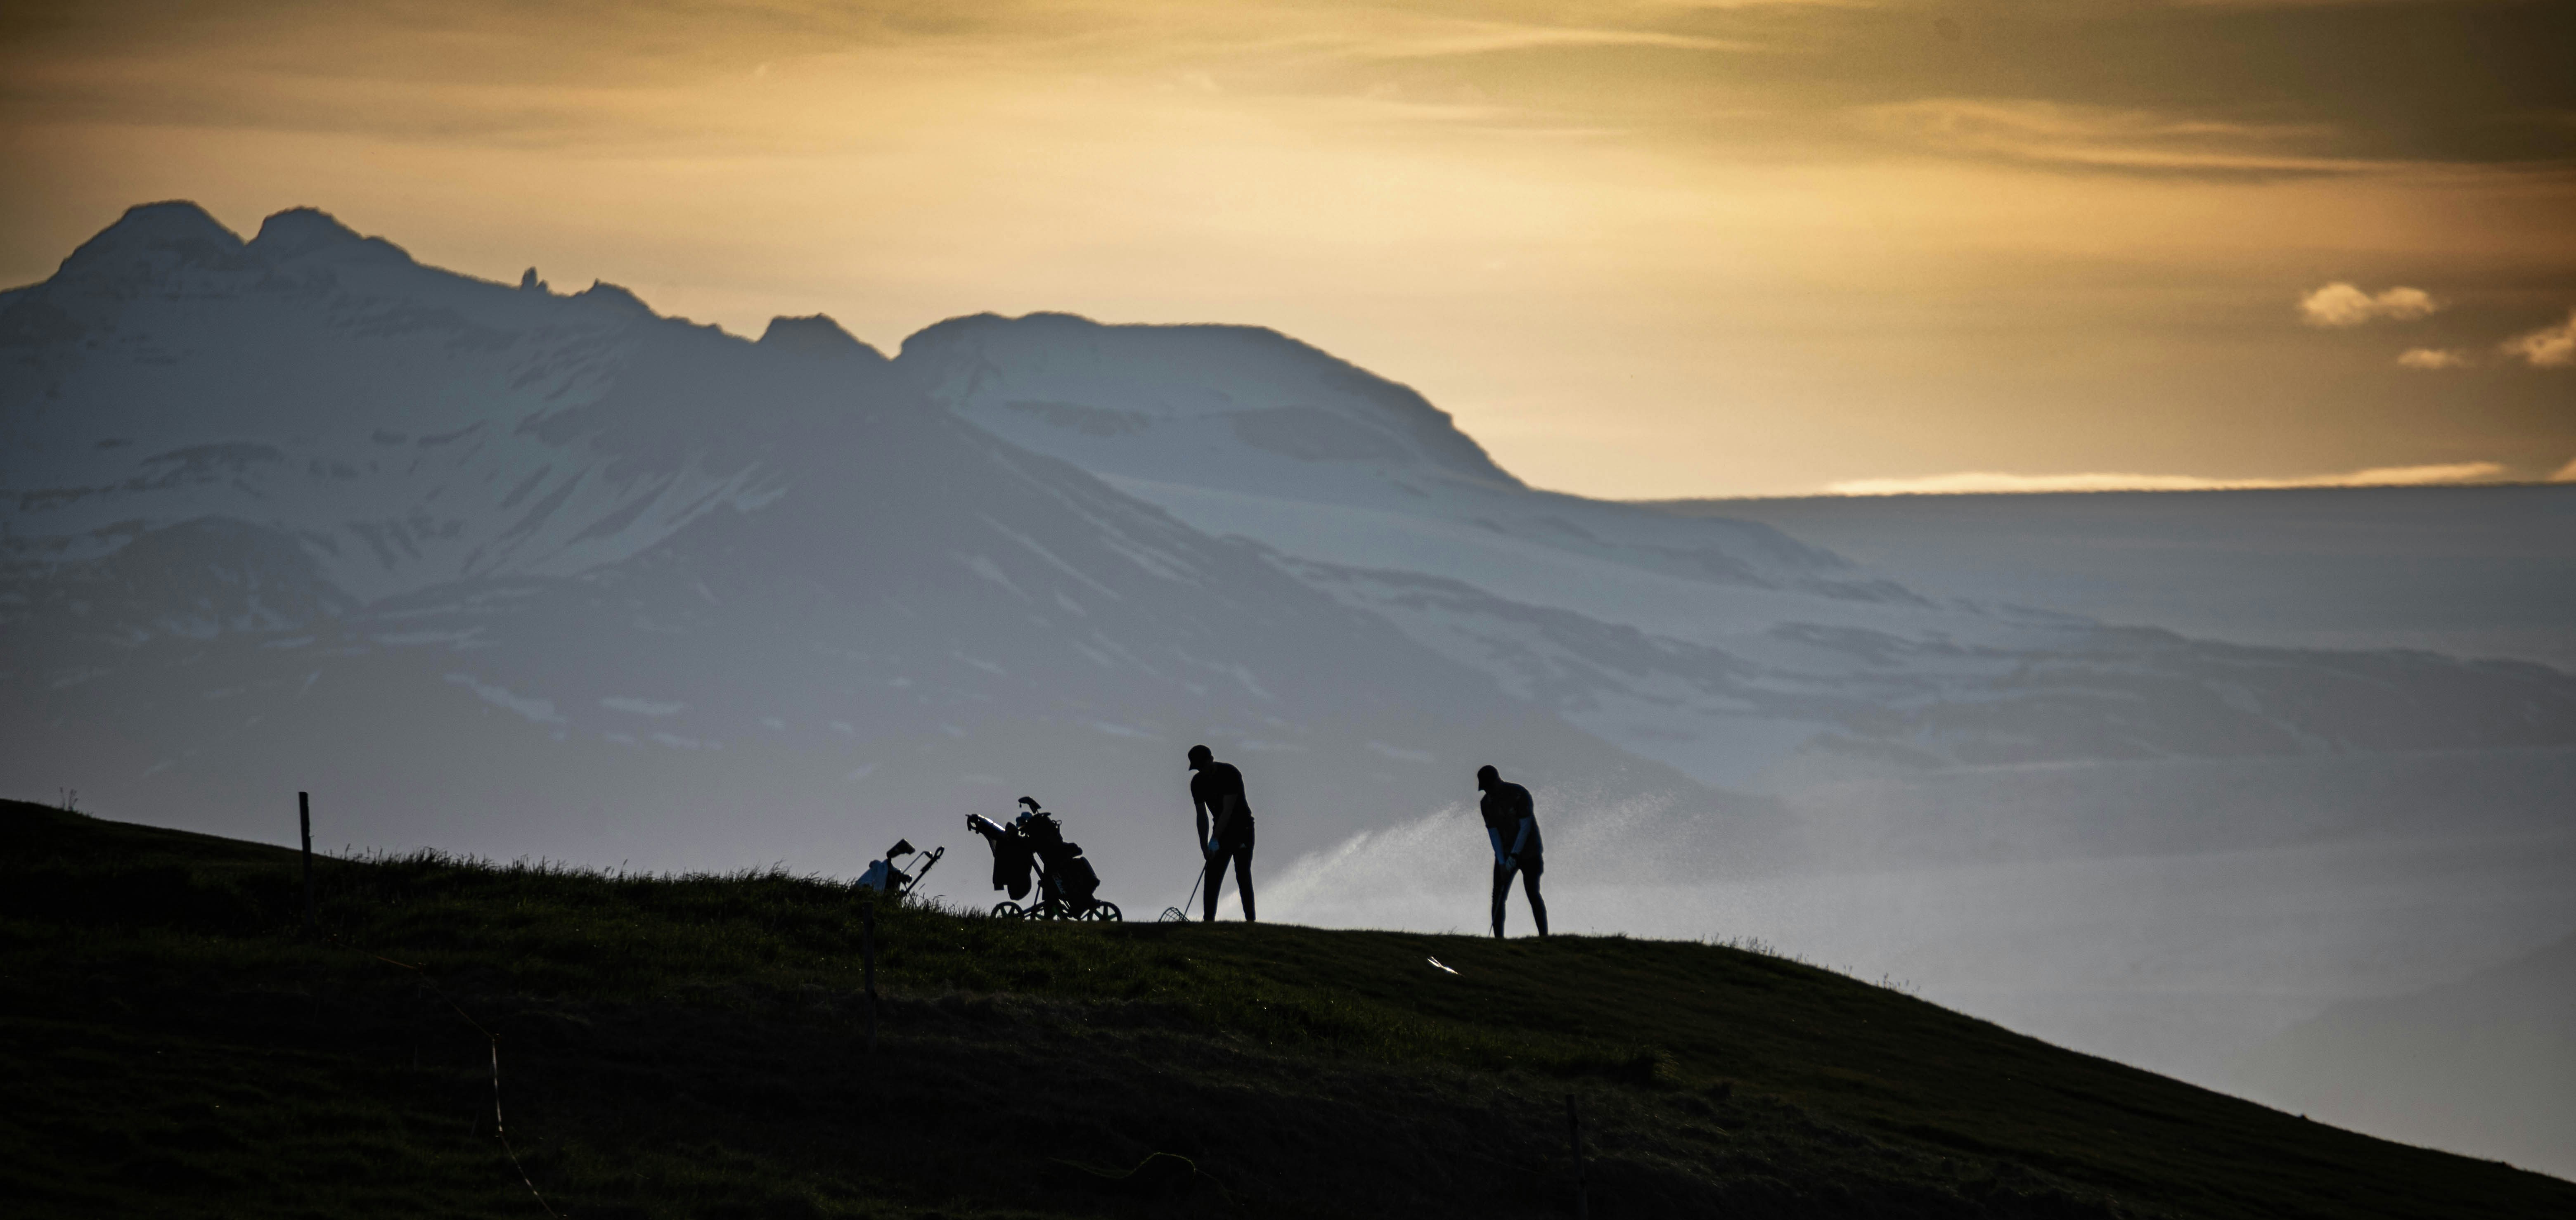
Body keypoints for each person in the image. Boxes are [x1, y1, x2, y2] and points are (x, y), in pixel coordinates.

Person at [1477, 764, 1547, 938]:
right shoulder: (1486, 803)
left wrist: (1515, 855)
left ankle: (1544, 937)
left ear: (1497, 781)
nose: (1487, 791)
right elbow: (1493, 834)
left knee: (1532, 891)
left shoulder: (1519, 794)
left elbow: (1525, 827)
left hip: (1530, 852)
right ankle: (1499, 940)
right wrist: (1502, 862)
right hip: (1505, 853)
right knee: (1498, 895)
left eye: (1488, 787)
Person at [1187, 744, 1255, 922]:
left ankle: (1251, 922)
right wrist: (1204, 846)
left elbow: (1228, 811)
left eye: (1205, 766)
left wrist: (1215, 839)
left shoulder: (1230, 774)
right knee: (1212, 876)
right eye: (1199, 768)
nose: (1203, 771)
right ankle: (1208, 921)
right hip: (1220, 832)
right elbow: (1201, 815)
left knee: (1242, 874)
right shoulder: (1197, 783)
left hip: (1243, 830)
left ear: (1211, 760)